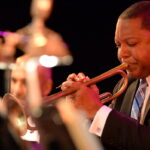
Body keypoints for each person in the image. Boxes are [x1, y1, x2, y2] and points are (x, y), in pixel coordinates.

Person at [60, 1, 150, 150]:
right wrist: (84, 113)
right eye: (118, 45)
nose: (122, 54)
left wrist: (96, 110)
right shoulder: (126, 84)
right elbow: (113, 142)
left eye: (132, 43)